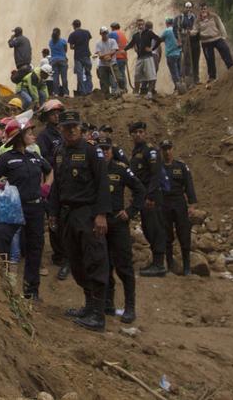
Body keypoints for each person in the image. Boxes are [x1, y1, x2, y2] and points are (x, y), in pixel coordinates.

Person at [47, 110, 110, 331]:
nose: (71, 130)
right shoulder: (59, 152)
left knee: (94, 260)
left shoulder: (92, 152)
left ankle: (98, 314)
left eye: (74, 126)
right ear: (61, 129)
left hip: (88, 213)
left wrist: (101, 214)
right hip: (67, 214)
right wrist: (53, 213)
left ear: (81, 128)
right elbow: (57, 185)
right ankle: (88, 306)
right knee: (76, 261)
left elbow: (103, 183)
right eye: (67, 127)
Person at [0, 119, 51, 300]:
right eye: (29, 132)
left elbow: (50, 171)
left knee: (35, 247)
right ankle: (3, 285)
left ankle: (31, 290)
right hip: (14, 208)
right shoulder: (7, 158)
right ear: (19, 137)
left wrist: (46, 186)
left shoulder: (35, 157)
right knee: (4, 241)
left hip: (35, 208)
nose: (33, 135)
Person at [95, 134, 145, 323]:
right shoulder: (94, 169)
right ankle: (108, 303)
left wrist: (130, 211)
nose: (104, 152)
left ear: (112, 150)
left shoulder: (121, 169)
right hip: (100, 223)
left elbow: (140, 189)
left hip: (117, 223)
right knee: (104, 265)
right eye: (101, 149)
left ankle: (130, 306)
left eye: (107, 149)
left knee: (124, 266)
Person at [33, 99, 69, 280]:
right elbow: (43, 161)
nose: (56, 116)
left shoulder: (64, 132)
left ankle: (69, 253)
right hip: (53, 183)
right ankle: (60, 254)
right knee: (54, 218)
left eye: (58, 113)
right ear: (47, 117)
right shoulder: (44, 137)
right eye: (53, 113)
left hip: (68, 182)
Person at [151, 139, 197, 275]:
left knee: (184, 234)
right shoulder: (157, 168)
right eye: (164, 149)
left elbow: (189, 185)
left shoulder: (181, 166)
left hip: (179, 203)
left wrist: (192, 204)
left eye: (169, 148)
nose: (167, 152)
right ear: (161, 151)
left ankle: (187, 266)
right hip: (163, 203)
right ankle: (170, 263)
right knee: (166, 235)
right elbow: (152, 185)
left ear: (172, 149)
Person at [128, 122, 167, 277]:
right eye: (135, 132)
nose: (138, 134)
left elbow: (155, 175)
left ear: (145, 133)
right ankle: (156, 262)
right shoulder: (136, 152)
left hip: (151, 197)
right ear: (131, 135)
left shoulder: (150, 151)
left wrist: (150, 196)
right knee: (148, 227)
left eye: (141, 131)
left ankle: (159, 265)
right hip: (142, 196)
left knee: (155, 228)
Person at [196, 4, 233, 82]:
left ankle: (232, 68)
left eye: (204, 8)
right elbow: (195, 30)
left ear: (207, 9)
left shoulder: (213, 16)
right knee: (210, 59)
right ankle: (212, 76)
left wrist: (224, 35)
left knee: (225, 50)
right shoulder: (197, 20)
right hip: (206, 41)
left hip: (217, 38)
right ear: (199, 10)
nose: (203, 10)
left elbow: (220, 25)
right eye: (201, 9)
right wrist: (190, 33)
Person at [129, 19, 161, 98]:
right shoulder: (151, 34)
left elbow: (137, 47)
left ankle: (143, 89)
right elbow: (159, 49)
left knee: (144, 73)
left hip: (147, 56)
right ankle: (151, 90)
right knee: (152, 74)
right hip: (154, 56)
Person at [67, 19, 93, 96]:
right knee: (88, 72)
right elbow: (88, 40)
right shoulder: (87, 32)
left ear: (74, 26)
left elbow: (71, 47)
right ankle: (89, 90)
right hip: (87, 54)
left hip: (78, 56)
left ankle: (82, 91)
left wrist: (77, 46)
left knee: (80, 74)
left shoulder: (72, 34)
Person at [177, 2, 199, 86]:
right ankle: (184, 77)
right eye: (187, 7)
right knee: (185, 57)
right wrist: (179, 40)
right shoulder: (181, 17)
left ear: (192, 8)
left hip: (192, 38)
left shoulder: (194, 17)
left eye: (190, 7)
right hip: (183, 38)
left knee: (192, 57)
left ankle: (193, 77)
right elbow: (178, 29)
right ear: (184, 8)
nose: (188, 9)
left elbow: (196, 27)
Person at [93, 27, 120, 96]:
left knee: (118, 78)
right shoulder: (98, 43)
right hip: (103, 65)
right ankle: (106, 96)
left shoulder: (112, 41)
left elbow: (114, 50)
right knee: (104, 82)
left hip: (113, 63)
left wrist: (108, 56)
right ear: (100, 34)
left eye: (105, 33)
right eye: (103, 33)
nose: (104, 35)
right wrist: (106, 56)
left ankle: (119, 91)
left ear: (107, 33)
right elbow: (99, 55)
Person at [161, 18, 185, 93]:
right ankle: (181, 86)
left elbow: (160, 39)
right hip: (179, 53)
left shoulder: (167, 31)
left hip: (171, 54)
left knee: (174, 72)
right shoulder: (177, 30)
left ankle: (179, 89)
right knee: (179, 70)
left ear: (167, 23)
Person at [47, 27, 69, 97]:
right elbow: (65, 50)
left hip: (53, 60)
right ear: (59, 33)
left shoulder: (50, 42)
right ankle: (65, 93)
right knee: (64, 77)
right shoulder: (63, 41)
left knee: (55, 78)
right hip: (62, 60)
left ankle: (56, 93)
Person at [109, 22, 130, 94]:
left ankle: (115, 91)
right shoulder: (123, 34)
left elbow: (109, 43)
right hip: (123, 57)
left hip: (116, 57)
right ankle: (124, 89)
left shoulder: (113, 33)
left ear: (112, 28)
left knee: (114, 74)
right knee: (122, 73)